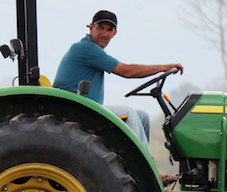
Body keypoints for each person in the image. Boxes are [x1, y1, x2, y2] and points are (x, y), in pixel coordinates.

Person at [53, 10, 183, 146]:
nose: (104, 33)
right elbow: (127, 71)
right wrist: (164, 67)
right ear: (91, 28)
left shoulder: (90, 50)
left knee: (142, 117)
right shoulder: (86, 48)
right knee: (129, 113)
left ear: (114, 33)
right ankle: (144, 164)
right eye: (100, 28)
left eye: (109, 30)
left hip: (86, 107)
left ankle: (138, 160)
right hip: (77, 109)